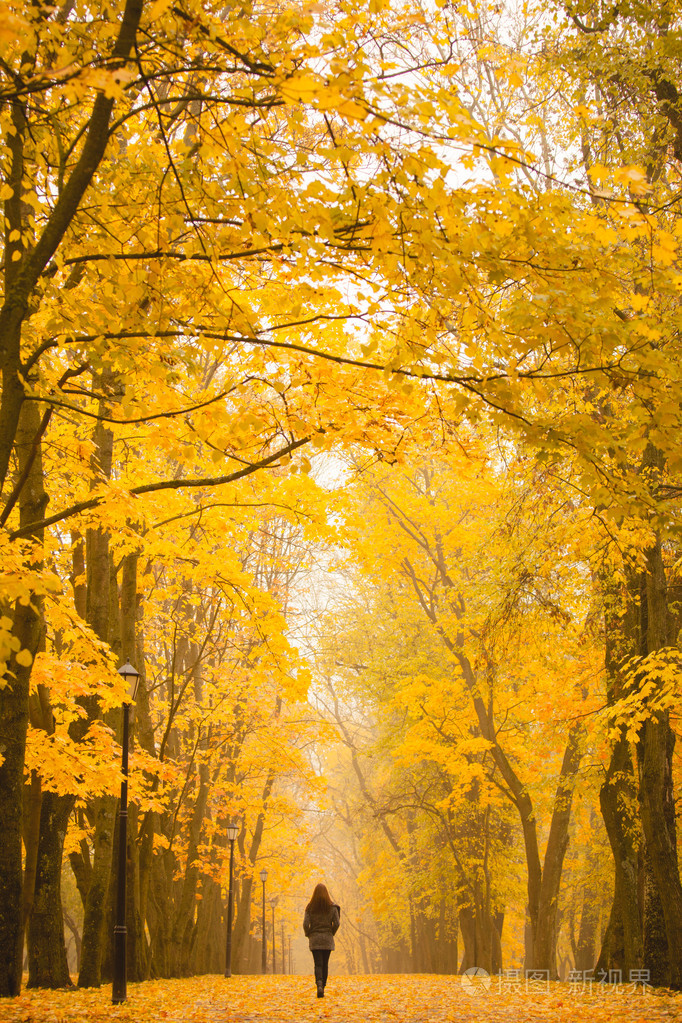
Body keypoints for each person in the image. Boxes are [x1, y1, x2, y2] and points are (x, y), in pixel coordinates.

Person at [303, 883, 340, 998]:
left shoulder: (310, 908)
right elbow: (337, 923)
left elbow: (305, 924)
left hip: (315, 939)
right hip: (327, 938)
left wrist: (308, 933)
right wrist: (331, 932)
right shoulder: (333, 908)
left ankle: (318, 984)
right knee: (325, 964)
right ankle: (323, 986)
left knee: (318, 964)